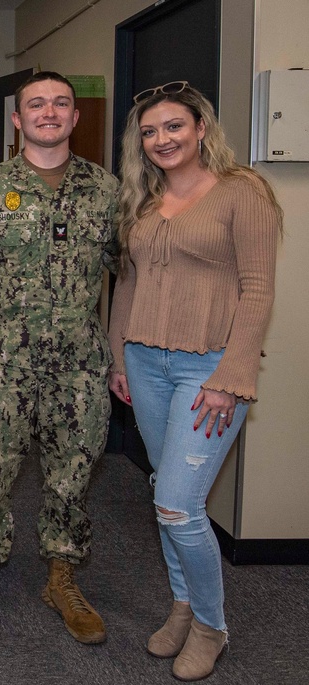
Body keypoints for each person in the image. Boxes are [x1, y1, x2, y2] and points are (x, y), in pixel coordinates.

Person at [108, 81, 280, 681]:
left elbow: (258, 290)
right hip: (145, 363)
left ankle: (211, 625)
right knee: (165, 495)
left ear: (202, 127)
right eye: (150, 132)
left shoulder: (243, 192)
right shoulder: (145, 200)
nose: (162, 140)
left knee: (179, 506)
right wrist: (117, 357)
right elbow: (125, 285)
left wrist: (231, 377)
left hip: (208, 368)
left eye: (174, 126)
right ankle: (181, 605)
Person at [0, 71, 117, 646]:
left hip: (78, 366)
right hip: (1, 367)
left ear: (75, 117)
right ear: (17, 121)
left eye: (61, 104)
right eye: (36, 105)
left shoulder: (108, 193)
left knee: (72, 476)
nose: (49, 112)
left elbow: (131, 272)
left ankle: (62, 579)